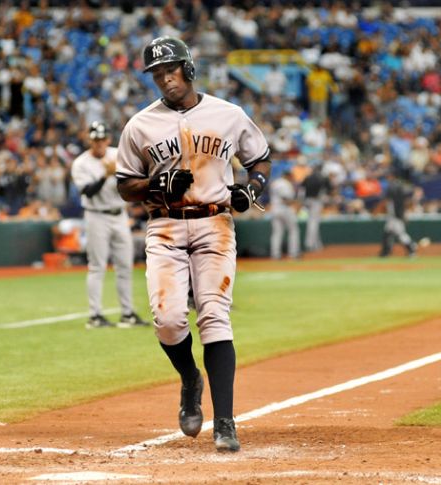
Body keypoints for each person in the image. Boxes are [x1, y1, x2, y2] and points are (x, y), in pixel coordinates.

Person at [115, 36, 272, 452]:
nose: (165, 78)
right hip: (164, 226)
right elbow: (125, 186)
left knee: (215, 316)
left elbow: (259, 159)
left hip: (214, 224)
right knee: (167, 320)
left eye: (171, 69)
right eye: (157, 73)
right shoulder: (140, 125)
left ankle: (225, 422)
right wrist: (154, 183)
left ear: (189, 68)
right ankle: (190, 377)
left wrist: (250, 189)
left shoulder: (228, 114)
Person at [72, 121, 149, 330]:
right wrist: (105, 174)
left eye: (102, 139)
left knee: (125, 265)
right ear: (90, 140)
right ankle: (95, 315)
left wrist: (118, 173)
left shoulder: (118, 154)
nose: (99, 143)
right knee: (97, 266)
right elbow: (87, 191)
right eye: (95, 139)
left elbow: (134, 182)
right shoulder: (81, 163)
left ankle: (127, 313)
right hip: (96, 216)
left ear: (108, 139)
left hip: (119, 215)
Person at [379, 168, 429, 258]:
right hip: (397, 214)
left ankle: (411, 248)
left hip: (395, 215)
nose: (387, 177)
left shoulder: (393, 186)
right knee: (388, 232)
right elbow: (408, 198)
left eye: (388, 176)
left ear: (392, 176)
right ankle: (386, 252)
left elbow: (389, 202)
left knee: (401, 234)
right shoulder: (400, 186)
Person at [299, 164, 332, 252]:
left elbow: (301, 189)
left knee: (313, 221)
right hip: (316, 201)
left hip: (308, 200)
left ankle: (317, 243)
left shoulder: (308, 177)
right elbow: (329, 189)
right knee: (314, 222)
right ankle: (310, 244)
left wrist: (302, 201)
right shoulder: (323, 178)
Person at [269, 171, 301, 260]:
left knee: (277, 233)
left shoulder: (275, 182)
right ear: (287, 176)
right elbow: (285, 199)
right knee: (293, 230)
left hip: (275, 208)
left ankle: (275, 254)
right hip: (284, 209)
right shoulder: (285, 183)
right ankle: (293, 253)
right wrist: (297, 203)